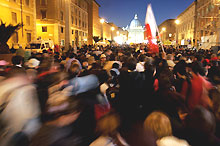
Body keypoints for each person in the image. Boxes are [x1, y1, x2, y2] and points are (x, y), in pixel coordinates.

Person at [0, 67, 40, 146]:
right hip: (16, 134)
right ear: (23, 76)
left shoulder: (2, 86)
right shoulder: (26, 90)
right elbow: (28, 117)